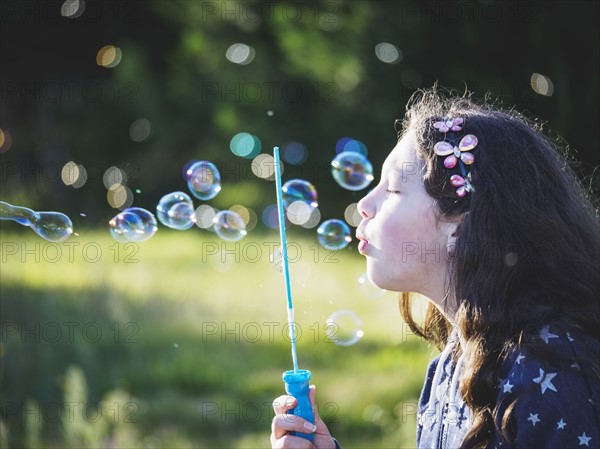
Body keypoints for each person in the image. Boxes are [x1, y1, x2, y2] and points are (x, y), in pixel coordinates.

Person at [269, 87, 600, 449]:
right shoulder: (454, 363)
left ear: (459, 221)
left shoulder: (551, 377)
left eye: (392, 190)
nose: (364, 204)